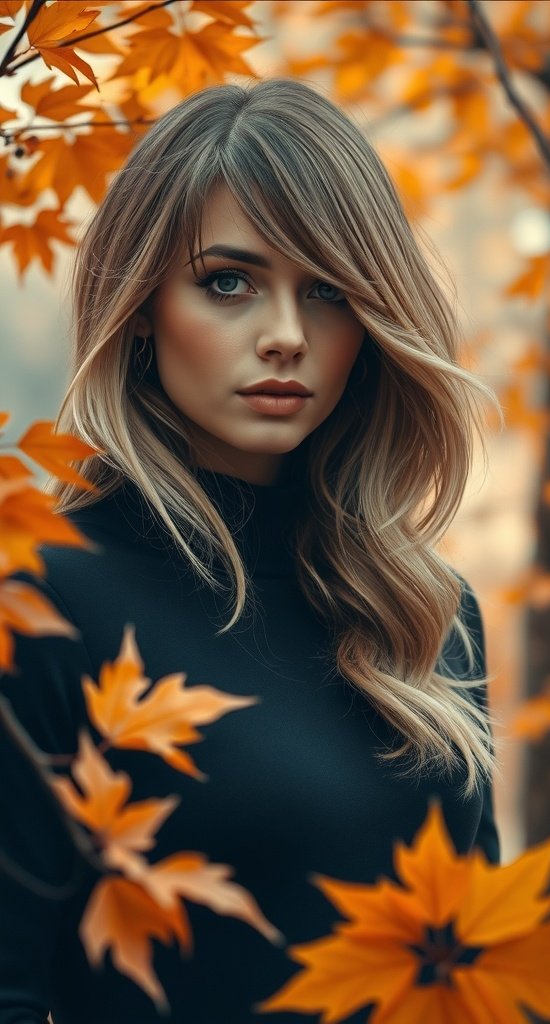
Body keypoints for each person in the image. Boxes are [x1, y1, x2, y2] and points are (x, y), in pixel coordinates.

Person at [0, 77, 500, 1023]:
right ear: (141, 303)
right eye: (228, 282)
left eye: (328, 293)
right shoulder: (36, 603)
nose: (284, 337)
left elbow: (479, 984)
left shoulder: (428, 615)